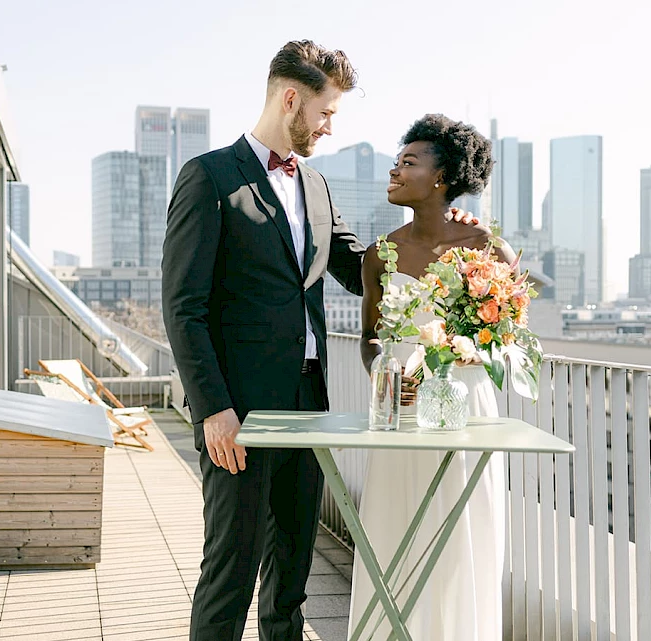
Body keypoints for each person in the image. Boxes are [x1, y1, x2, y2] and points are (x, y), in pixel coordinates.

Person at [162, 42, 479, 641]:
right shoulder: (208, 178)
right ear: (291, 100)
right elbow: (184, 308)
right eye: (326, 112)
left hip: (308, 403)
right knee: (228, 574)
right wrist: (214, 411)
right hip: (240, 414)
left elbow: (361, 262)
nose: (331, 127)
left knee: (291, 577)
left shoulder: (314, 183)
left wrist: (442, 227)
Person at [351, 114, 513, 640]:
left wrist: (473, 353)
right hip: (399, 411)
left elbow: (507, 341)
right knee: (393, 529)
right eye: (396, 161)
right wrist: (384, 372)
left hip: (465, 411)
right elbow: (370, 338)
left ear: (441, 179)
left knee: (462, 533)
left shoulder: (487, 249)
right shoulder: (379, 255)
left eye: (409, 162)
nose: (394, 169)